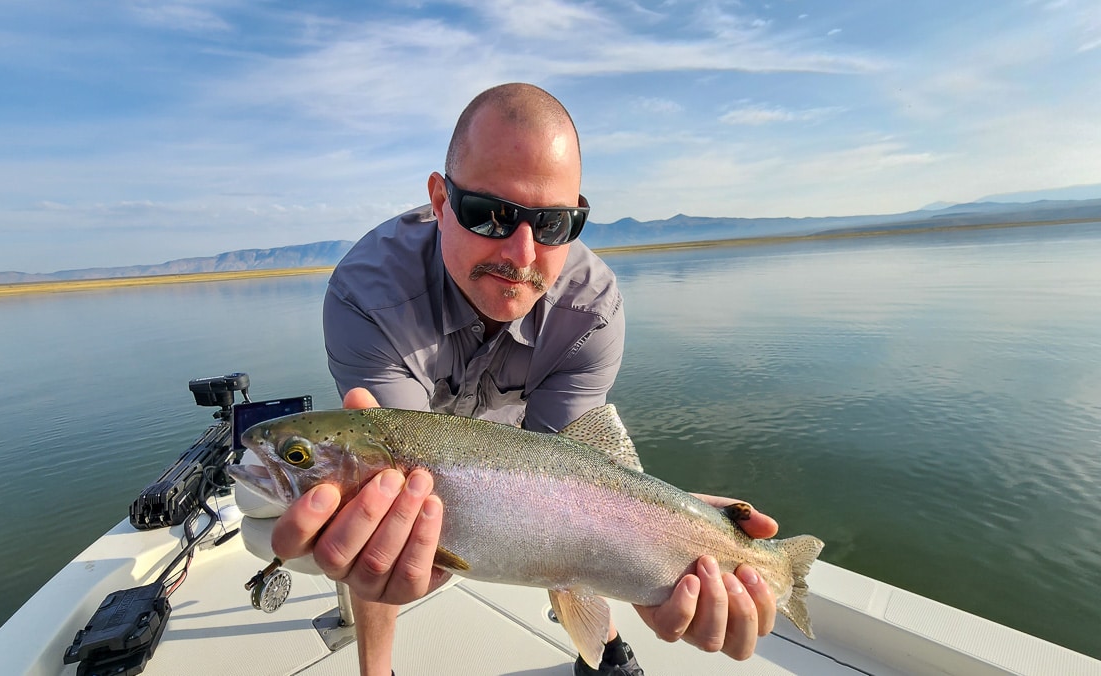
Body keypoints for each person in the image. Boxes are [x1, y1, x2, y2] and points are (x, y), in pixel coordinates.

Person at [270, 83, 780, 676]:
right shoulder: (368, 293)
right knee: (383, 515)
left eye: (556, 223)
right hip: (419, 434)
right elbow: (399, 472)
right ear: (439, 200)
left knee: (557, 522)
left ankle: (606, 651)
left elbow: (577, 475)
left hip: (529, 448)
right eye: (490, 214)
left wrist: (676, 528)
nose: (522, 253)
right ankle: (375, 670)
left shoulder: (592, 307)